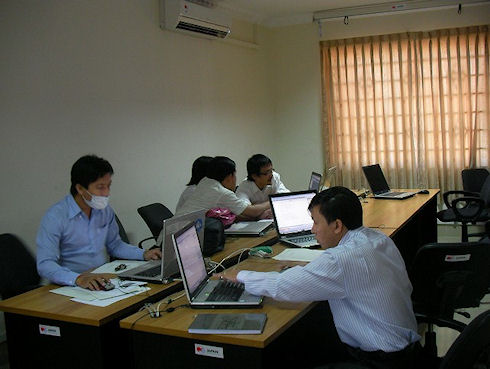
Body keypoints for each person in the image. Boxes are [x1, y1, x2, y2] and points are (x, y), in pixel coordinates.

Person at [218, 187, 421, 369]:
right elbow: (344, 269)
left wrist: (240, 275)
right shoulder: (377, 239)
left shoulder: (340, 261)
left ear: (337, 226)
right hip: (406, 348)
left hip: (380, 360)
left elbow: (282, 286)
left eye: (315, 222)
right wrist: (311, 268)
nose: (313, 229)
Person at [36, 155, 161, 290]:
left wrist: (144, 254)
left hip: (101, 280)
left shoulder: (104, 211)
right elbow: (45, 264)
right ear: (80, 188)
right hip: (70, 285)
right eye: (100, 187)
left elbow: (115, 245)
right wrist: (77, 279)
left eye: (108, 186)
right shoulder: (56, 217)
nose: (106, 193)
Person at [175, 156, 270, 219]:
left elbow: (231, 214)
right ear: (230, 176)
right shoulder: (222, 193)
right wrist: (271, 201)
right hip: (182, 235)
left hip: (172, 230)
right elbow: (252, 212)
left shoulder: (205, 182)